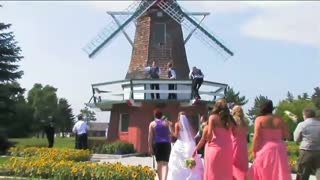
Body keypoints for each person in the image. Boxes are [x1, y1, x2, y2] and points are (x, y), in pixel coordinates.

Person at [248, 100, 291, 180]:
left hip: (266, 148)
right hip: (280, 148)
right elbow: (287, 135)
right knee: (279, 172)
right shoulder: (280, 119)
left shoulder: (259, 119)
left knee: (265, 171)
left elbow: (257, 136)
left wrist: (253, 150)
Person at [193, 101, 236, 180]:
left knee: (213, 172)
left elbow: (209, 135)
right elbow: (235, 132)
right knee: (226, 172)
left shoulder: (213, 117)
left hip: (216, 148)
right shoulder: (230, 119)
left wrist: (208, 140)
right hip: (228, 149)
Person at [167, 112, 203, 180]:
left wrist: (170, 128)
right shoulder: (189, 125)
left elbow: (176, 135)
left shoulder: (177, 124)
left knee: (177, 163)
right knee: (191, 160)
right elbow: (194, 134)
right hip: (189, 144)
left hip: (180, 144)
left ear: (178, 117)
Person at [294, 108, 320, 180]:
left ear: (305, 115)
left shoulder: (302, 124)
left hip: (306, 151)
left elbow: (296, 139)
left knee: (303, 173)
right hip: (318, 151)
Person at [148, 109, 171, 180]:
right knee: (165, 163)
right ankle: (164, 179)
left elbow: (150, 137)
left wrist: (150, 147)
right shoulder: (167, 123)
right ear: (161, 115)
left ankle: (160, 179)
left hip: (158, 144)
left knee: (159, 163)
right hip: (167, 144)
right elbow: (170, 134)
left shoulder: (152, 124)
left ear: (154, 115)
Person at [231, 105, 248, 180]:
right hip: (243, 146)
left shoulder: (233, 120)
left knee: (234, 164)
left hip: (235, 144)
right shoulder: (245, 122)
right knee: (242, 165)